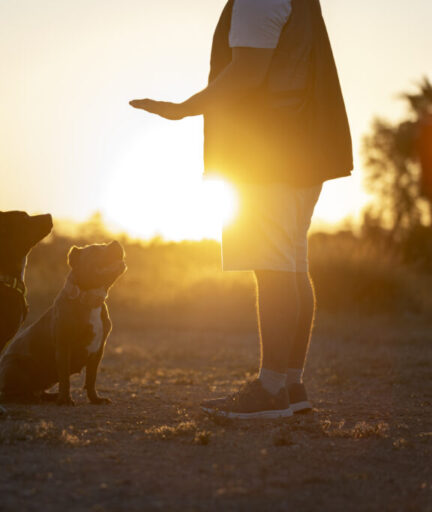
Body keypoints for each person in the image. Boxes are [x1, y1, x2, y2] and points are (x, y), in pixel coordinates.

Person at [130, 0, 352, 419]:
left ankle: (269, 390)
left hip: (265, 153)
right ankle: (290, 386)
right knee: (291, 264)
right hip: (304, 149)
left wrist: (181, 109)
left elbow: (247, 74)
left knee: (273, 268)